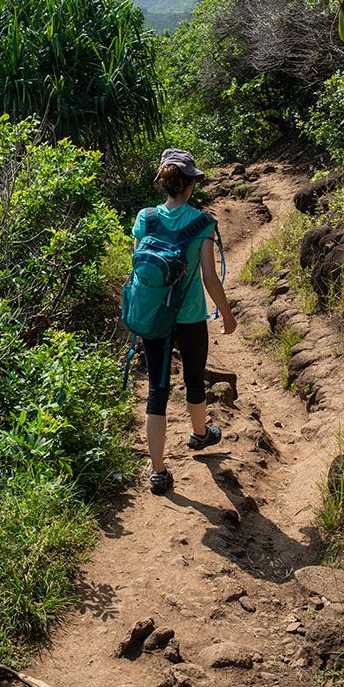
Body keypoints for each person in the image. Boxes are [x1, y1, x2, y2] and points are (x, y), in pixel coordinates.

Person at [132, 148, 237, 495]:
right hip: (190, 317)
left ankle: (158, 472)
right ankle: (199, 434)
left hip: (154, 317)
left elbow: (139, 272)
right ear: (190, 184)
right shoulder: (203, 223)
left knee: (156, 390)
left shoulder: (145, 218)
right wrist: (226, 313)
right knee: (194, 378)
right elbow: (209, 276)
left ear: (165, 184)